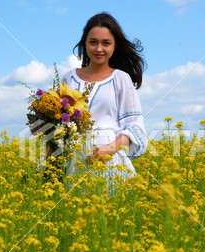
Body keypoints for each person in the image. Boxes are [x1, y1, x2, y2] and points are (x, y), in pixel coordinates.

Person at [62, 12, 148, 180]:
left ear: (114, 46)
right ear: (85, 44)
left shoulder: (121, 79)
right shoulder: (68, 78)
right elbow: (59, 120)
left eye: (106, 43)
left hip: (111, 163)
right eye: (93, 42)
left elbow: (135, 125)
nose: (99, 49)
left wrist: (110, 148)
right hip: (74, 163)